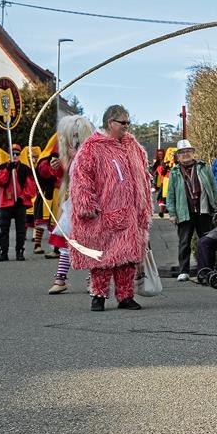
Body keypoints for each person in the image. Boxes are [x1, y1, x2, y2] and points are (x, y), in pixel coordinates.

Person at [70, 104, 153, 312]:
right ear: (110, 123)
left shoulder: (133, 146)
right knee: (103, 258)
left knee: (128, 257)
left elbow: (143, 177)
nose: (127, 126)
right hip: (105, 213)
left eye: (128, 122)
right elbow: (81, 178)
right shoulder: (92, 147)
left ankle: (126, 296)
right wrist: (86, 205)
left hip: (132, 213)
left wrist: (145, 207)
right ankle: (98, 295)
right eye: (123, 122)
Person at [46, 115, 95, 295]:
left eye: (78, 135)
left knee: (91, 242)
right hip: (72, 202)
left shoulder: (92, 152)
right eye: (72, 135)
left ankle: (93, 280)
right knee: (67, 242)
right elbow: (62, 176)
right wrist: (57, 165)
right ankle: (60, 278)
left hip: (90, 203)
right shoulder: (67, 152)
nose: (75, 140)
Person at [166, 139, 217, 281]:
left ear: (193, 153)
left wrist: (215, 204)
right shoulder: (175, 172)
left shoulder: (203, 167)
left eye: (188, 151)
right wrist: (172, 213)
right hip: (184, 211)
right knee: (184, 242)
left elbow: (213, 187)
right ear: (177, 156)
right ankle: (184, 271)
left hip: (204, 209)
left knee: (207, 240)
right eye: (182, 152)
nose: (185, 154)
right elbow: (170, 194)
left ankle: (207, 269)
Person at [0, 145, 37, 262]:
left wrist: (23, 197)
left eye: (17, 153)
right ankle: (3, 253)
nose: (15, 156)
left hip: (20, 203)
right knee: (4, 229)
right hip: (5, 203)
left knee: (21, 229)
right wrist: (7, 169)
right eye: (13, 154)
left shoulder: (25, 169)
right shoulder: (2, 167)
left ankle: (19, 252)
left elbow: (31, 186)